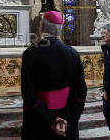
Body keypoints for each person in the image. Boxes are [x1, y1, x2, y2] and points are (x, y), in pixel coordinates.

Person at [21, 11, 87, 139]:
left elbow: (28, 94)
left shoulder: (30, 54)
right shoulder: (72, 53)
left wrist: (52, 120)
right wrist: (67, 119)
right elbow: (81, 91)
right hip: (66, 119)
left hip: (39, 119)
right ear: (60, 29)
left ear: (42, 28)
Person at [100, 24, 110, 121]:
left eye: (105, 33)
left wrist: (109, 91)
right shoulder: (105, 48)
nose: (102, 35)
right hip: (107, 90)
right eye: (102, 33)